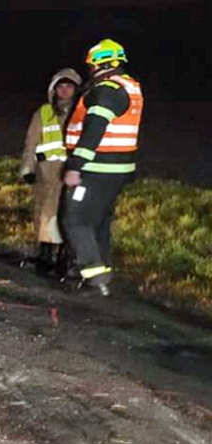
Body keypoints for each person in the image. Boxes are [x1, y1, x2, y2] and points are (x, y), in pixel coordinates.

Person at [61, 39, 143, 296]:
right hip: (116, 169)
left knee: (74, 219)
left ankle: (94, 277)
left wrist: (76, 166)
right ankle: (99, 273)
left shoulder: (106, 90)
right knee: (98, 221)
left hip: (97, 169)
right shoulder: (129, 87)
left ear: (98, 64)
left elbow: (94, 130)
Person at [19, 68, 81, 276]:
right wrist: (28, 168)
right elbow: (31, 142)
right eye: (60, 87)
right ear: (54, 90)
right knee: (44, 213)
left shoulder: (81, 113)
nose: (64, 91)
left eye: (69, 86)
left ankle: (65, 257)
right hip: (47, 173)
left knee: (68, 215)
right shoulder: (44, 112)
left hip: (71, 174)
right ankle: (45, 255)